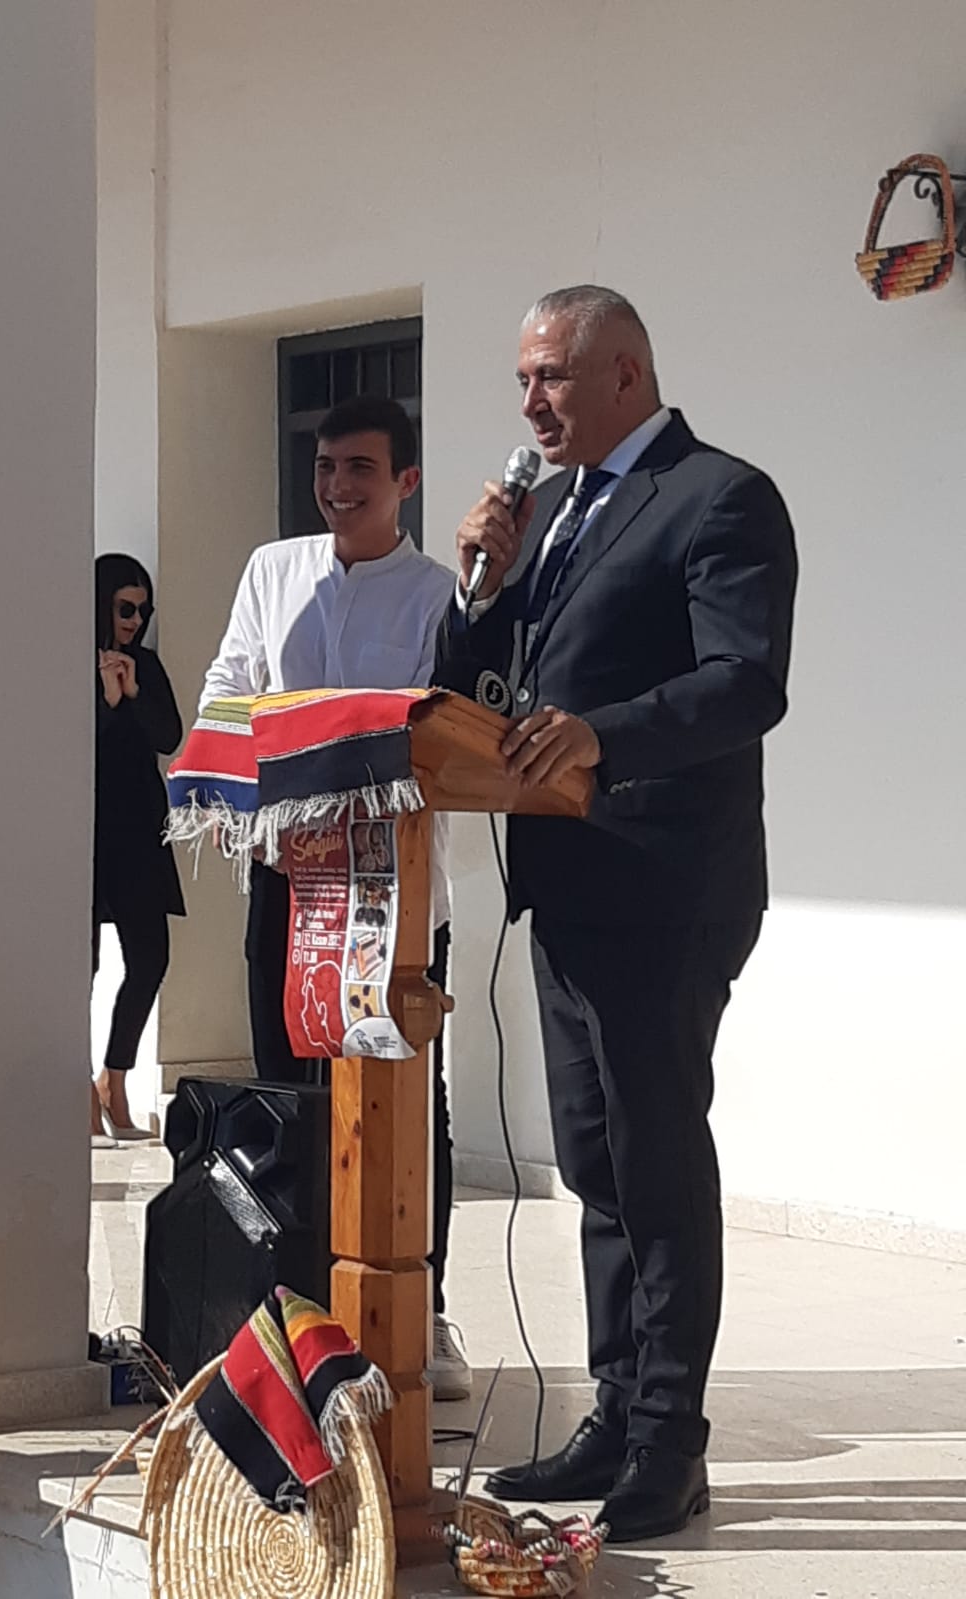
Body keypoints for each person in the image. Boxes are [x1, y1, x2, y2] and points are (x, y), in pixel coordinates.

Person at [436, 286, 797, 1541]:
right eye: (522, 380)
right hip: (568, 883)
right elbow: (479, 685)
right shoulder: (549, 515)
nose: (529, 402)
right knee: (593, 1165)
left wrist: (604, 736)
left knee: (655, 1159)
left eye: (550, 375)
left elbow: (745, 683)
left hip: (667, 885)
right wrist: (481, 588)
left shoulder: (719, 497)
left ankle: (669, 1443)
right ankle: (613, 1410)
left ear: (625, 373)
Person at [201, 393, 471, 1401]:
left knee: (406, 1105)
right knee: (290, 1096)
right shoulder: (273, 572)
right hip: (284, 881)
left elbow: (435, 728)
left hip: (392, 898)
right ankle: (299, 1310)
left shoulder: (439, 597)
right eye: (324, 466)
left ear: (405, 480)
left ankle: (423, 1313)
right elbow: (229, 690)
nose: (337, 486)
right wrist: (245, 800)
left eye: (360, 467)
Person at [93, 553, 186, 1145]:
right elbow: (71, 743)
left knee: (150, 957)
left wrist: (130, 691)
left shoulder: (144, 664)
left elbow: (169, 735)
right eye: (125, 608)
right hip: (85, 829)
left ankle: (114, 1077)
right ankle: (74, 1087)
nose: (134, 621)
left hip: (138, 829)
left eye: (142, 611)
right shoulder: (64, 659)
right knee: (78, 966)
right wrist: (104, 700)